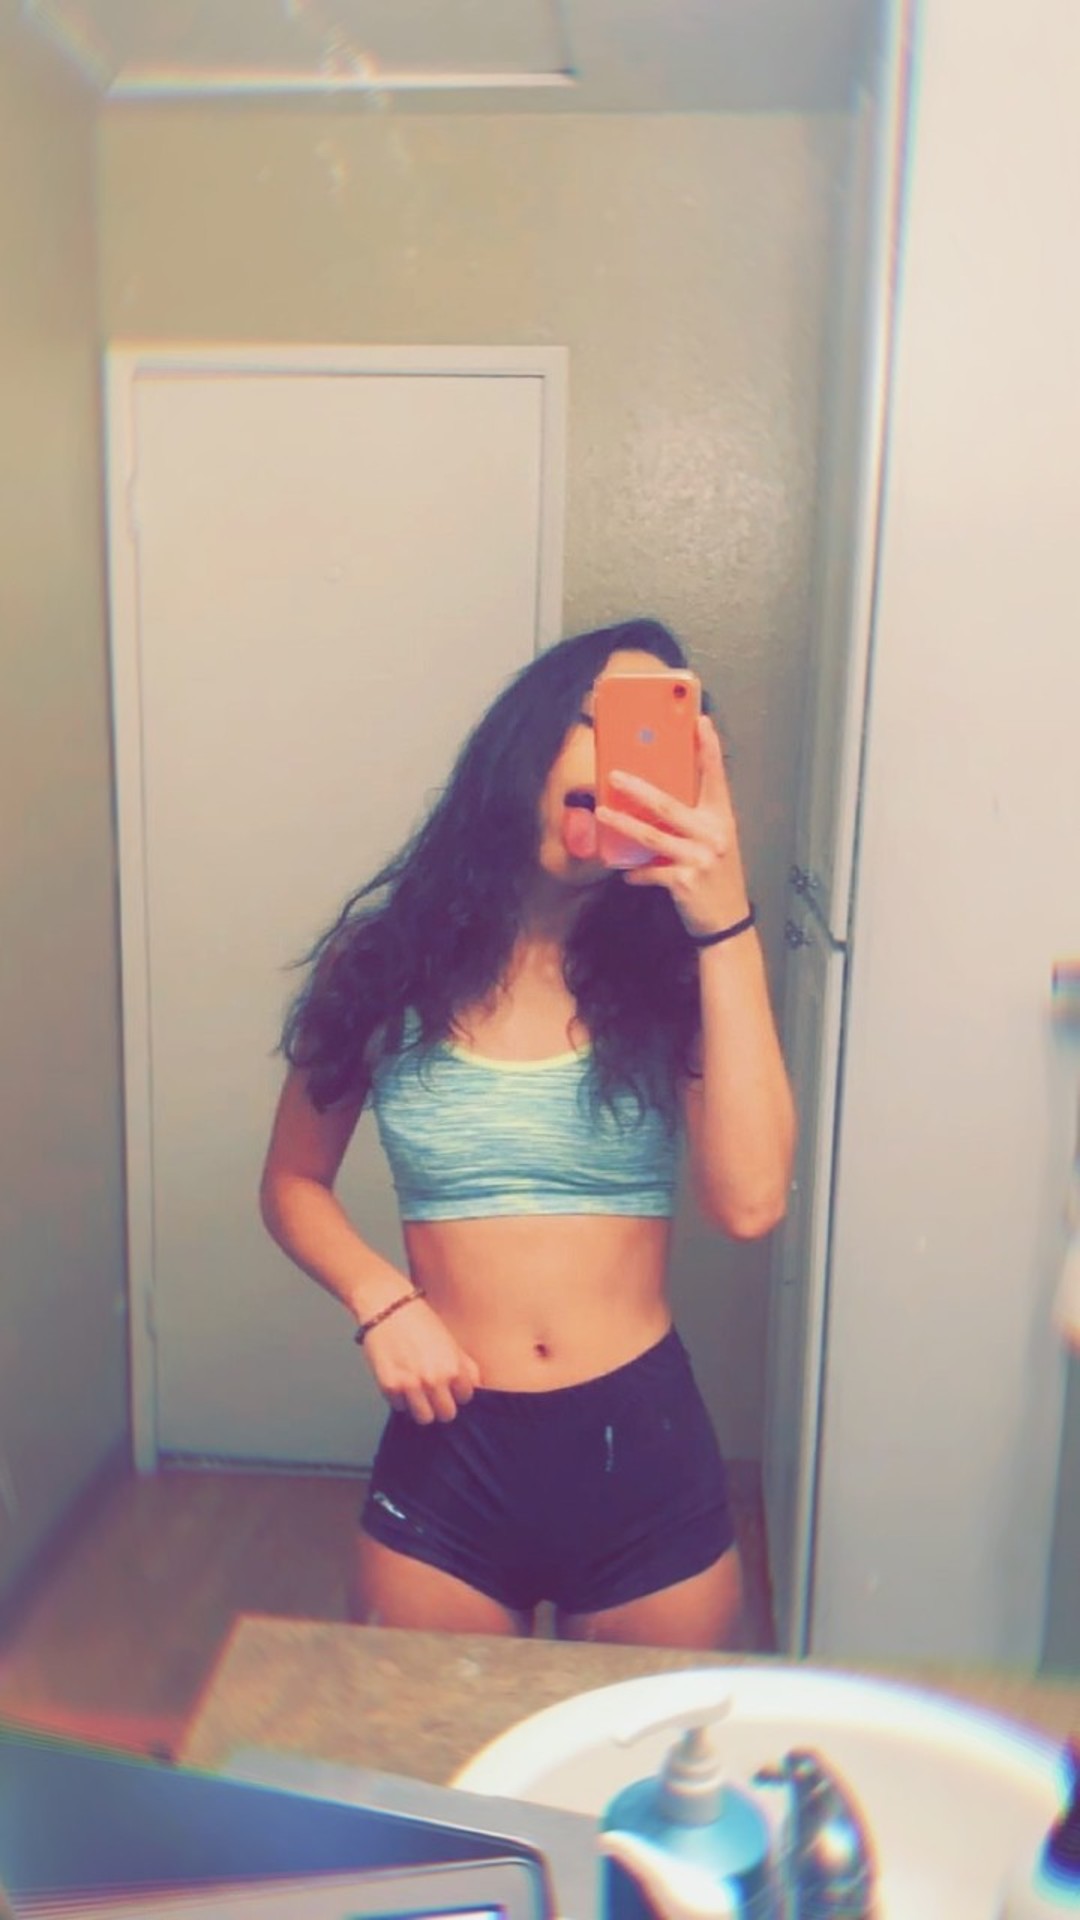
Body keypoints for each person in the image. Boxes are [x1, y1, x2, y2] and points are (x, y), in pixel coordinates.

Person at [259, 618, 795, 1647]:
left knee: (637, 1757)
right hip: (449, 1451)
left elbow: (752, 1200)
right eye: (604, 722)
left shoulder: (677, 973)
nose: (626, 767)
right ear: (528, 737)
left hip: (642, 1451)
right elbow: (291, 1182)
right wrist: (381, 1301)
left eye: (661, 741)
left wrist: (724, 924)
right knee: (435, 1747)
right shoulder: (382, 965)